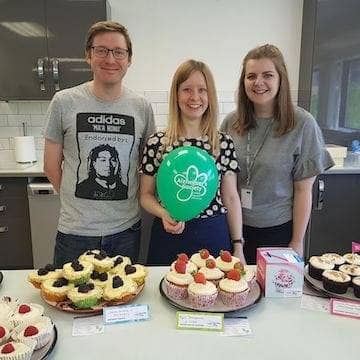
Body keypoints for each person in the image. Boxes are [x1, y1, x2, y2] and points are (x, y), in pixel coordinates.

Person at [44, 21, 155, 267]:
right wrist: (79, 202)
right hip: (75, 234)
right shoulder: (63, 102)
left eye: (118, 52)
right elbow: (51, 167)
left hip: (125, 232)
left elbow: (146, 166)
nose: (110, 59)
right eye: (101, 50)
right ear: (88, 55)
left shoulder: (141, 107)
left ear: (129, 59)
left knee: (120, 302)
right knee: (71, 302)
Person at [221, 44, 334, 264]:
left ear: (280, 79)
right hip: (234, 230)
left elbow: (303, 191)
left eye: (268, 75)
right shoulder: (231, 123)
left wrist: (297, 241)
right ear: (243, 82)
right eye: (251, 76)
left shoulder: (302, 124)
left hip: (279, 232)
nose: (258, 82)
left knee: (275, 297)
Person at [140, 59, 245, 265]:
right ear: (176, 95)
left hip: (214, 234)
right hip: (168, 235)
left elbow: (231, 198)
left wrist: (238, 246)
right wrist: (163, 213)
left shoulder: (223, 142)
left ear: (210, 95)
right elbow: (145, 195)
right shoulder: (157, 143)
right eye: (187, 89)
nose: (195, 97)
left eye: (202, 90)